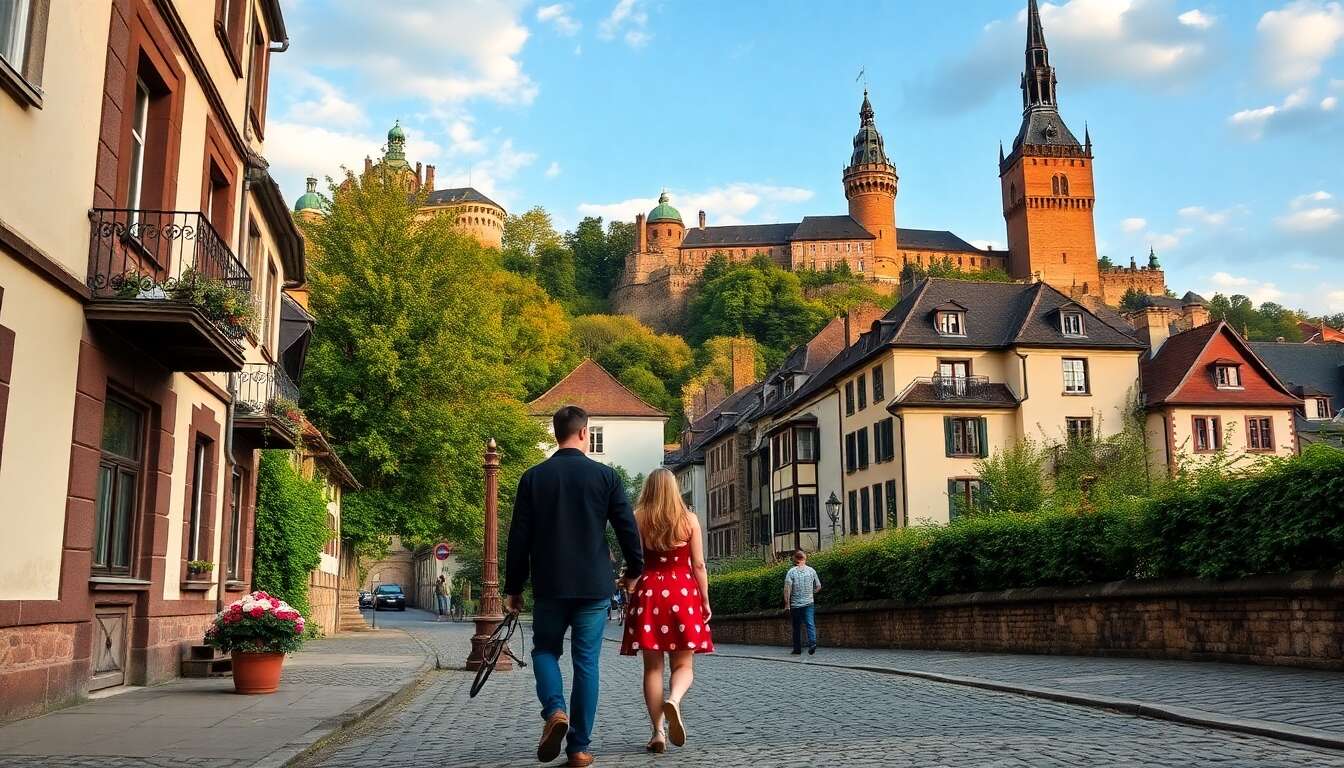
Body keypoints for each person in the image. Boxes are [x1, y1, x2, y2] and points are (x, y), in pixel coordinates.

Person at [505, 405, 644, 768]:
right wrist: (634, 570)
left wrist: (513, 587)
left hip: (550, 583)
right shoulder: (606, 477)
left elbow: (519, 538)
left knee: (544, 651)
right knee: (586, 664)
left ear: (556, 434)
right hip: (594, 585)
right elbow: (627, 528)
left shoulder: (533, 478)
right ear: (584, 433)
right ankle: (579, 748)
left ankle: (555, 710)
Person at [619, 468, 713, 754]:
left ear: (648, 489)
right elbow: (699, 565)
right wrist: (705, 600)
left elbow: (635, 560)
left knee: (653, 668)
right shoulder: (689, 519)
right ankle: (675, 699)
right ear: (674, 489)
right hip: (682, 592)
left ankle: (658, 732)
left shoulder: (638, 517)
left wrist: (629, 583)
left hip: (650, 593)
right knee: (683, 665)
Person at [784, 549, 821, 655]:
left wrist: (787, 605)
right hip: (809, 603)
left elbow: (787, 589)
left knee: (796, 627)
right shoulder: (811, 571)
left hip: (796, 605)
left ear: (795, 559)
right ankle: (812, 643)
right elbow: (818, 586)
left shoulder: (791, 572)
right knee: (810, 624)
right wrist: (811, 593)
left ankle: (797, 649)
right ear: (804, 558)